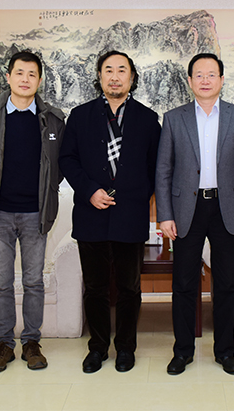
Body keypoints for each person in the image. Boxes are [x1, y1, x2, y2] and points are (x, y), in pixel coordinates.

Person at [155, 53, 234, 376]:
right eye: (198, 74)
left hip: (227, 208)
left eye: (211, 74)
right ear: (189, 81)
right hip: (187, 208)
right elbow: (163, 170)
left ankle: (225, 351)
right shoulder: (174, 118)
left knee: (226, 283)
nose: (205, 80)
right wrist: (165, 215)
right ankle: (183, 351)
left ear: (222, 80)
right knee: (183, 282)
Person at [59, 50, 161, 374]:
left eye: (121, 70)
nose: (115, 77)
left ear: (132, 77)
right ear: (100, 76)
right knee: (95, 288)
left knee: (130, 288)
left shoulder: (148, 119)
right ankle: (98, 347)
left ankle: (126, 348)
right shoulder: (80, 116)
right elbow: (67, 160)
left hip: (130, 216)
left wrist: (136, 196)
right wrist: (89, 190)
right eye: (108, 70)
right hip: (90, 215)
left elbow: (157, 167)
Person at [0, 51, 66, 373]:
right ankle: (4, 344)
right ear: (8, 77)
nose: (25, 79)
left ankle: (32, 342)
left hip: (36, 213)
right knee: (2, 283)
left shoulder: (52, 118)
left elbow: (61, 163)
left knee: (34, 281)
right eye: (19, 73)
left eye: (32, 74)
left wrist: (46, 188)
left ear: (39, 80)